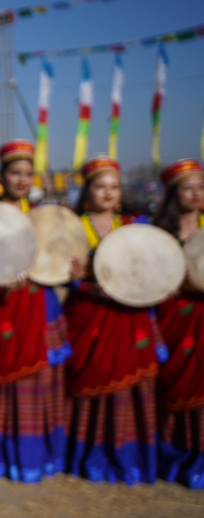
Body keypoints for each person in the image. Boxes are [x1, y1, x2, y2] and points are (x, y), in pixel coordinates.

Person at [62, 156, 160, 484]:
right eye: (99, 186)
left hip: (129, 318)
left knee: (130, 385)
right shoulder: (71, 227)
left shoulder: (135, 226)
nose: (107, 193)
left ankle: (128, 458)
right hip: (88, 317)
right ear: (86, 191)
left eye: (114, 187)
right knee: (91, 377)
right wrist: (81, 283)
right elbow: (61, 273)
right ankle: (88, 457)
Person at [0, 139, 71, 483]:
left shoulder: (44, 217)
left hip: (40, 304)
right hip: (4, 305)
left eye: (27, 174)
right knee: (6, 381)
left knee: (41, 380)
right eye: (15, 173)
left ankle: (38, 454)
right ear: (1, 175)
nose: (21, 180)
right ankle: (2, 454)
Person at [153, 158, 204, 488]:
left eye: (201, 187)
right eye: (188, 188)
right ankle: (171, 456)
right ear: (174, 194)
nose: (196, 194)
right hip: (172, 318)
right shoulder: (157, 234)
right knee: (171, 384)